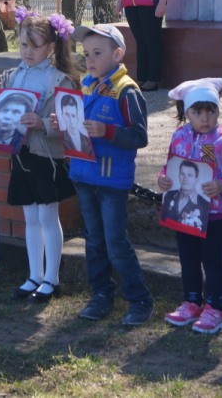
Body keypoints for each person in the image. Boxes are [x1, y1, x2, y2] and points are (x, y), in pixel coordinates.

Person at [67, 24, 153, 325]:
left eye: (98, 53)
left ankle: (140, 300)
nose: (90, 59)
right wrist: (64, 121)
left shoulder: (126, 90)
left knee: (116, 242)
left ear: (117, 54)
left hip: (111, 180)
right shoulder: (87, 84)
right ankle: (101, 295)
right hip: (84, 175)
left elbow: (139, 136)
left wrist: (107, 131)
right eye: (86, 53)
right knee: (93, 240)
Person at [0, 11, 78, 304]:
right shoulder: (12, 75)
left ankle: (51, 278)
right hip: (21, 153)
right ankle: (34, 275)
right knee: (30, 216)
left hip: (46, 155)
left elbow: (70, 122)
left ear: (51, 47)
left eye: (35, 45)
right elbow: (5, 112)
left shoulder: (60, 79)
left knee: (47, 215)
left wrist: (44, 124)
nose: (28, 51)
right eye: (24, 45)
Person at [158, 77, 222, 334]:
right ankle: (191, 302)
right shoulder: (179, 136)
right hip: (183, 212)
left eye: (211, 110)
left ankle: (215, 308)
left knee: (211, 260)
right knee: (188, 259)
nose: (205, 117)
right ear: (185, 113)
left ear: (218, 110)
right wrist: (163, 179)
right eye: (197, 112)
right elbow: (170, 166)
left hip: (215, 214)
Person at [160, 160, 210, 229]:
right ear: (178, 175)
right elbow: (164, 219)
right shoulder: (169, 195)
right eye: (182, 174)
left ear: (197, 179)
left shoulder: (205, 205)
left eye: (190, 175)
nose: (185, 178)